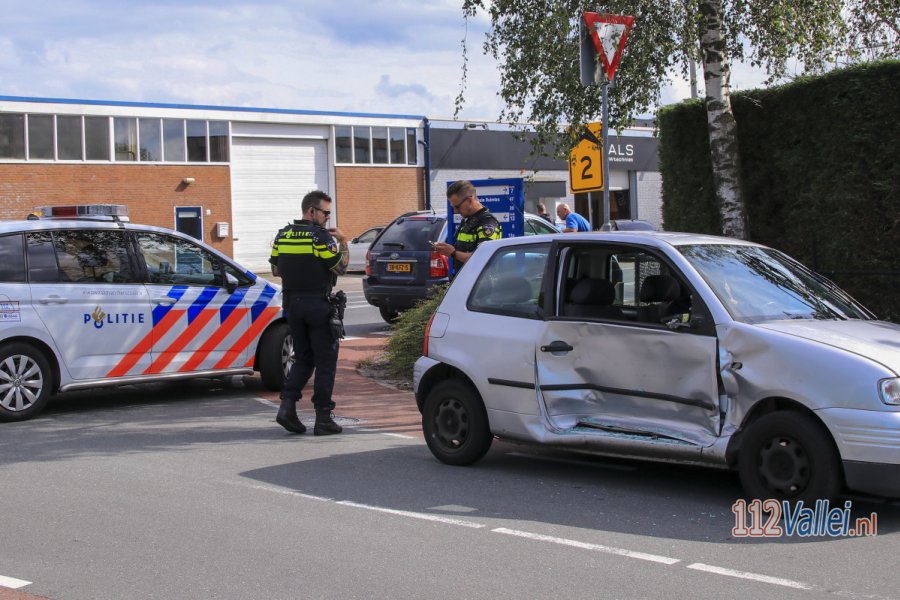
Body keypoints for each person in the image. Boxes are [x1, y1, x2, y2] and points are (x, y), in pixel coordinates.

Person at [270, 190, 349, 436]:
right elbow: (340, 268)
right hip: (318, 306)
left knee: (303, 358)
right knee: (325, 362)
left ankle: (287, 407)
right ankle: (323, 418)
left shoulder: (282, 235)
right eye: (325, 212)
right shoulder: (320, 238)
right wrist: (343, 242)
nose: (328, 217)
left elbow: (275, 269)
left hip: (293, 305)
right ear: (311, 211)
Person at [433, 180, 502, 273]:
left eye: (457, 207)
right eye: (453, 207)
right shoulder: (467, 221)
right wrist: (447, 250)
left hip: (482, 284)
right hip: (466, 280)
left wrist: (453, 253)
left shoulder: (487, 222)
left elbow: (483, 257)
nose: (455, 211)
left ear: (470, 201)